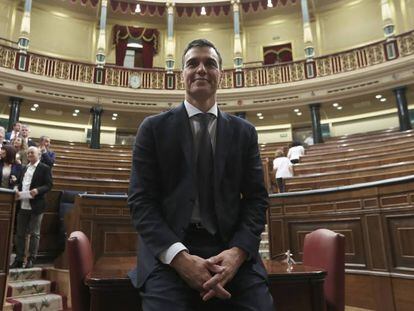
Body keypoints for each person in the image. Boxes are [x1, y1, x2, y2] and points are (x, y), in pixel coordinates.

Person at [128, 39, 274, 311]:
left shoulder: (244, 133)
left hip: (229, 249)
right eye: (192, 63)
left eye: (210, 63)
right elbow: (141, 202)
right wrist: (180, 258)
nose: (201, 69)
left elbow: (256, 200)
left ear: (221, 74)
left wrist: (237, 253)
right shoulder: (153, 129)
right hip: (169, 253)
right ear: (182, 74)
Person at [10, 146, 53, 269]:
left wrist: (37, 190)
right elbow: (19, 183)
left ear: (39, 154)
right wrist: (16, 190)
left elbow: (49, 185)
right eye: (28, 153)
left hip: (36, 205)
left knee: (34, 234)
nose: (29, 154)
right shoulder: (24, 168)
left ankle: (31, 259)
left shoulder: (44, 168)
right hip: (23, 204)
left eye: (32, 153)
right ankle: (19, 259)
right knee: (20, 234)